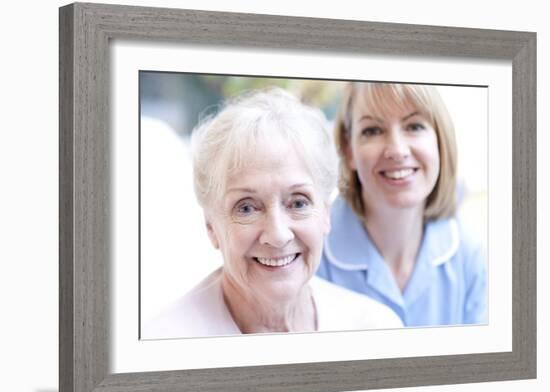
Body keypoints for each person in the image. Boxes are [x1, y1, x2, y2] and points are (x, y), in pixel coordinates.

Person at [144, 88, 402, 339]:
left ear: (326, 214)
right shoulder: (161, 346)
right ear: (211, 227)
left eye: (298, 203)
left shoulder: (375, 329)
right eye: (246, 208)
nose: (278, 235)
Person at [317, 82, 487, 327]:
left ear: (440, 141)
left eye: (414, 126)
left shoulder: (468, 254)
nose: (397, 150)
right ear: (349, 149)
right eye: (373, 130)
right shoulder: (313, 255)